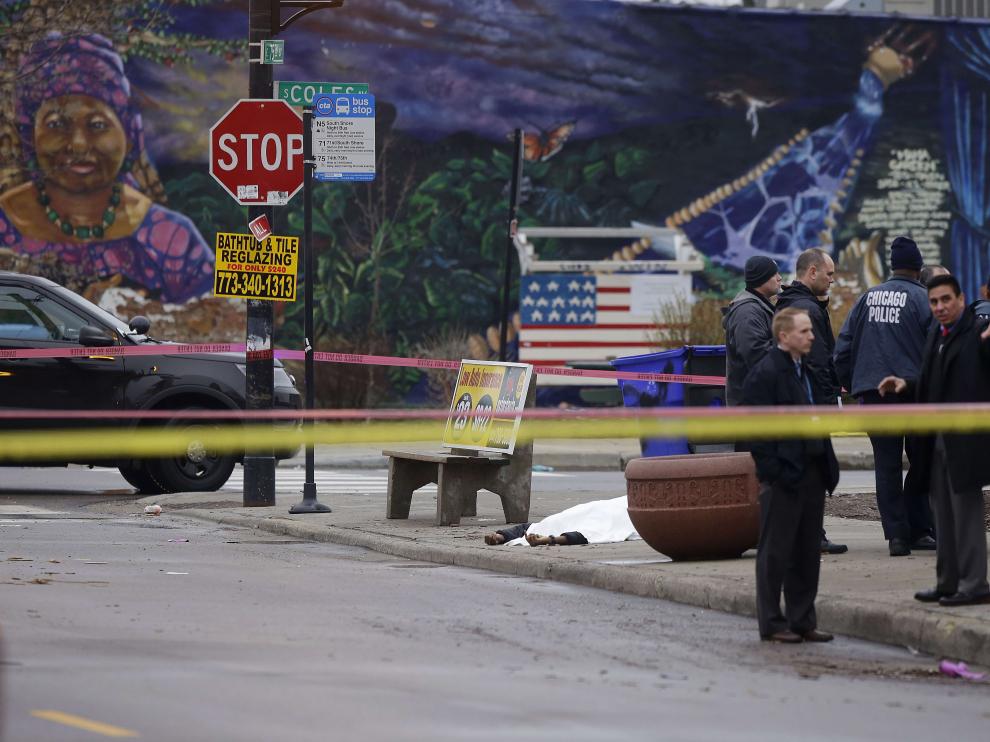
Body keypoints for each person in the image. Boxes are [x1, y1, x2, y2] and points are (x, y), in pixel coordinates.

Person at [0, 34, 213, 303]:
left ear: (129, 133)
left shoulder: (171, 240)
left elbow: (216, 325)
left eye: (98, 125)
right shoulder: (4, 226)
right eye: (56, 124)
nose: (78, 145)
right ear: (30, 135)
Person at [879, 274, 990, 606]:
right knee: (941, 512)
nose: (940, 307)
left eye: (946, 300)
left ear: (960, 298)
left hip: (966, 440)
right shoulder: (937, 334)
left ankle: (975, 585)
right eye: (934, 302)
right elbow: (933, 381)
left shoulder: (977, 332)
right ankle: (947, 582)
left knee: (966, 514)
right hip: (937, 439)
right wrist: (906, 385)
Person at [742, 307, 840, 643]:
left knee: (806, 551)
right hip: (784, 476)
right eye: (804, 331)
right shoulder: (766, 374)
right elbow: (757, 433)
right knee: (776, 552)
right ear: (784, 336)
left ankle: (802, 619)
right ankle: (772, 622)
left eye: (811, 331)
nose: (811, 336)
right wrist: (776, 473)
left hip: (812, 470)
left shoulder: (807, 369)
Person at [834, 236, 935, 556]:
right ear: (919, 269)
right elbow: (936, 350)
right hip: (915, 394)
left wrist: (853, 384)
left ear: (892, 267)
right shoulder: (923, 300)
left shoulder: (866, 299)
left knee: (886, 465)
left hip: (874, 395)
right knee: (922, 462)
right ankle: (919, 528)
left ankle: (896, 536)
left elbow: (844, 348)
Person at [776, 247, 847, 555]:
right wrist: (829, 400)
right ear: (812, 272)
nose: (833, 280)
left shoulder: (789, 303)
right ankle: (812, 536)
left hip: (794, 404)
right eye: (829, 274)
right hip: (812, 404)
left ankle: (804, 533)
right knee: (814, 473)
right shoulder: (808, 310)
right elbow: (818, 361)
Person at [722, 255, 781, 407]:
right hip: (751, 411)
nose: (779, 278)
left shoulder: (758, 307)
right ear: (762, 278)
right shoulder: (748, 313)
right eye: (774, 274)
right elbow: (756, 357)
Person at [484, 495, 640, 546]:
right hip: (614, 505)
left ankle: (548, 539)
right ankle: (503, 535)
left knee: (596, 529)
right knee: (564, 519)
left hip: (626, 512)